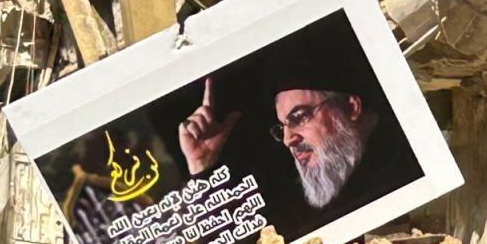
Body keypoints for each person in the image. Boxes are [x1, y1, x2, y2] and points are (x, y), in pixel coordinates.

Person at [178, 65, 424, 232]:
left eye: (299, 117)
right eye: (282, 126)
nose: (288, 140)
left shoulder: (415, 161)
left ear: (350, 108)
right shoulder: (295, 201)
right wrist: (202, 165)